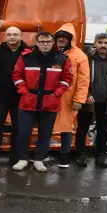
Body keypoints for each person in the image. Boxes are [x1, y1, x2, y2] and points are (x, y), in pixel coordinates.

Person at [11, 31, 73, 173]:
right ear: (37, 43)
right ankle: (22, 159)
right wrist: (24, 91)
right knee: (24, 133)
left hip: (50, 102)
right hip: (28, 101)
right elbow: (16, 75)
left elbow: (67, 79)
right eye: (42, 42)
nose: (45, 44)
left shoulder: (62, 59)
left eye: (48, 42)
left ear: (53, 43)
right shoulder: (26, 57)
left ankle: (39, 159)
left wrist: (56, 94)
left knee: (45, 134)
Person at [76, 33, 107, 168]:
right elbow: (80, 78)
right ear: (94, 44)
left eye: (106, 43)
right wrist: (86, 94)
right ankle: (80, 154)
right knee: (82, 128)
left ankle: (101, 156)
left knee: (103, 130)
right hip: (89, 101)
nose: (103, 45)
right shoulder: (87, 58)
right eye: (100, 42)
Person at [0, 27, 27, 165]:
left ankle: (14, 155)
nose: (12, 37)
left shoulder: (28, 52)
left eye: (15, 34)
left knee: (18, 126)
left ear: (21, 36)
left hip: (20, 95)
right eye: (9, 34)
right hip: (0, 94)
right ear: (5, 36)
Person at [53, 24, 90, 168]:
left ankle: (64, 155)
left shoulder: (80, 56)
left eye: (64, 37)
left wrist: (79, 100)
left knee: (66, 127)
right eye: (59, 37)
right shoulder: (50, 52)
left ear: (70, 39)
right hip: (50, 95)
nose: (61, 39)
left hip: (68, 97)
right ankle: (40, 154)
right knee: (45, 124)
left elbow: (84, 80)